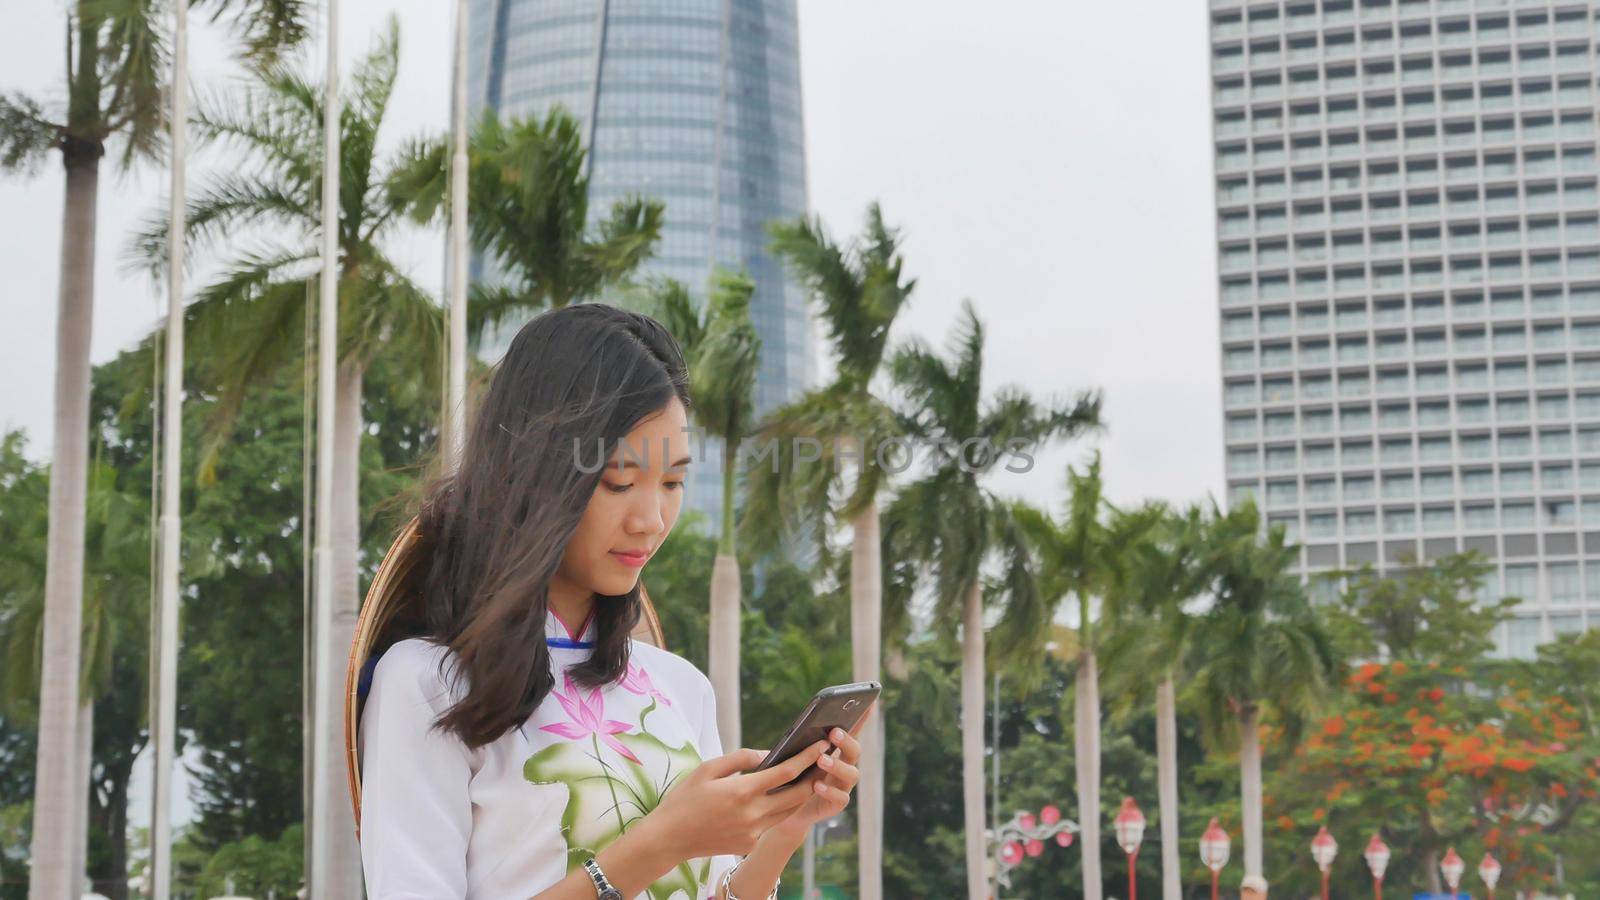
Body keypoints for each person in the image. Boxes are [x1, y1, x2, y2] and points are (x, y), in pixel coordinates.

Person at [359, 304, 870, 898]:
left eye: (673, 482)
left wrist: (782, 829)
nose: (651, 520)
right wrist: (662, 843)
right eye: (619, 482)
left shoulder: (680, 687)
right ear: (533, 473)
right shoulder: (428, 684)